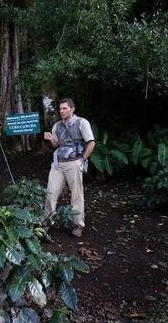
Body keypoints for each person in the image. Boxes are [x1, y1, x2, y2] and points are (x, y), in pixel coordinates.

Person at [44, 98, 95, 238]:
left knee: (76, 194)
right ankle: (47, 221)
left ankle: (78, 224)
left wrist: (83, 159)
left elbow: (91, 143)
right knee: (50, 192)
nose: (62, 111)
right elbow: (55, 146)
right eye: (60, 109)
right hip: (58, 163)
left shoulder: (81, 122)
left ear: (72, 109)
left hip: (74, 162)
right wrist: (49, 140)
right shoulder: (57, 126)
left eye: (65, 108)